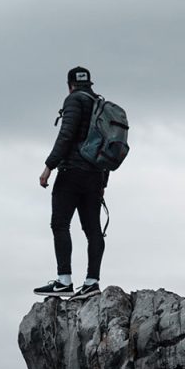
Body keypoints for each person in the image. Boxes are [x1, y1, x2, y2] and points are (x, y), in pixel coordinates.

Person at [34, 66, 108, 300]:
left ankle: (64, 281)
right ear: (89, 84)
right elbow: (106, 145)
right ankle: (92, 282)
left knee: (60, 224)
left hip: (71, 171)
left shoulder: (73, 101)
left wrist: (48, 166)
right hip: (95, 174)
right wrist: (103, 179)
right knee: (93, 229)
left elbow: (65, 136)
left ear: (70, 85)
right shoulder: (99, 105)